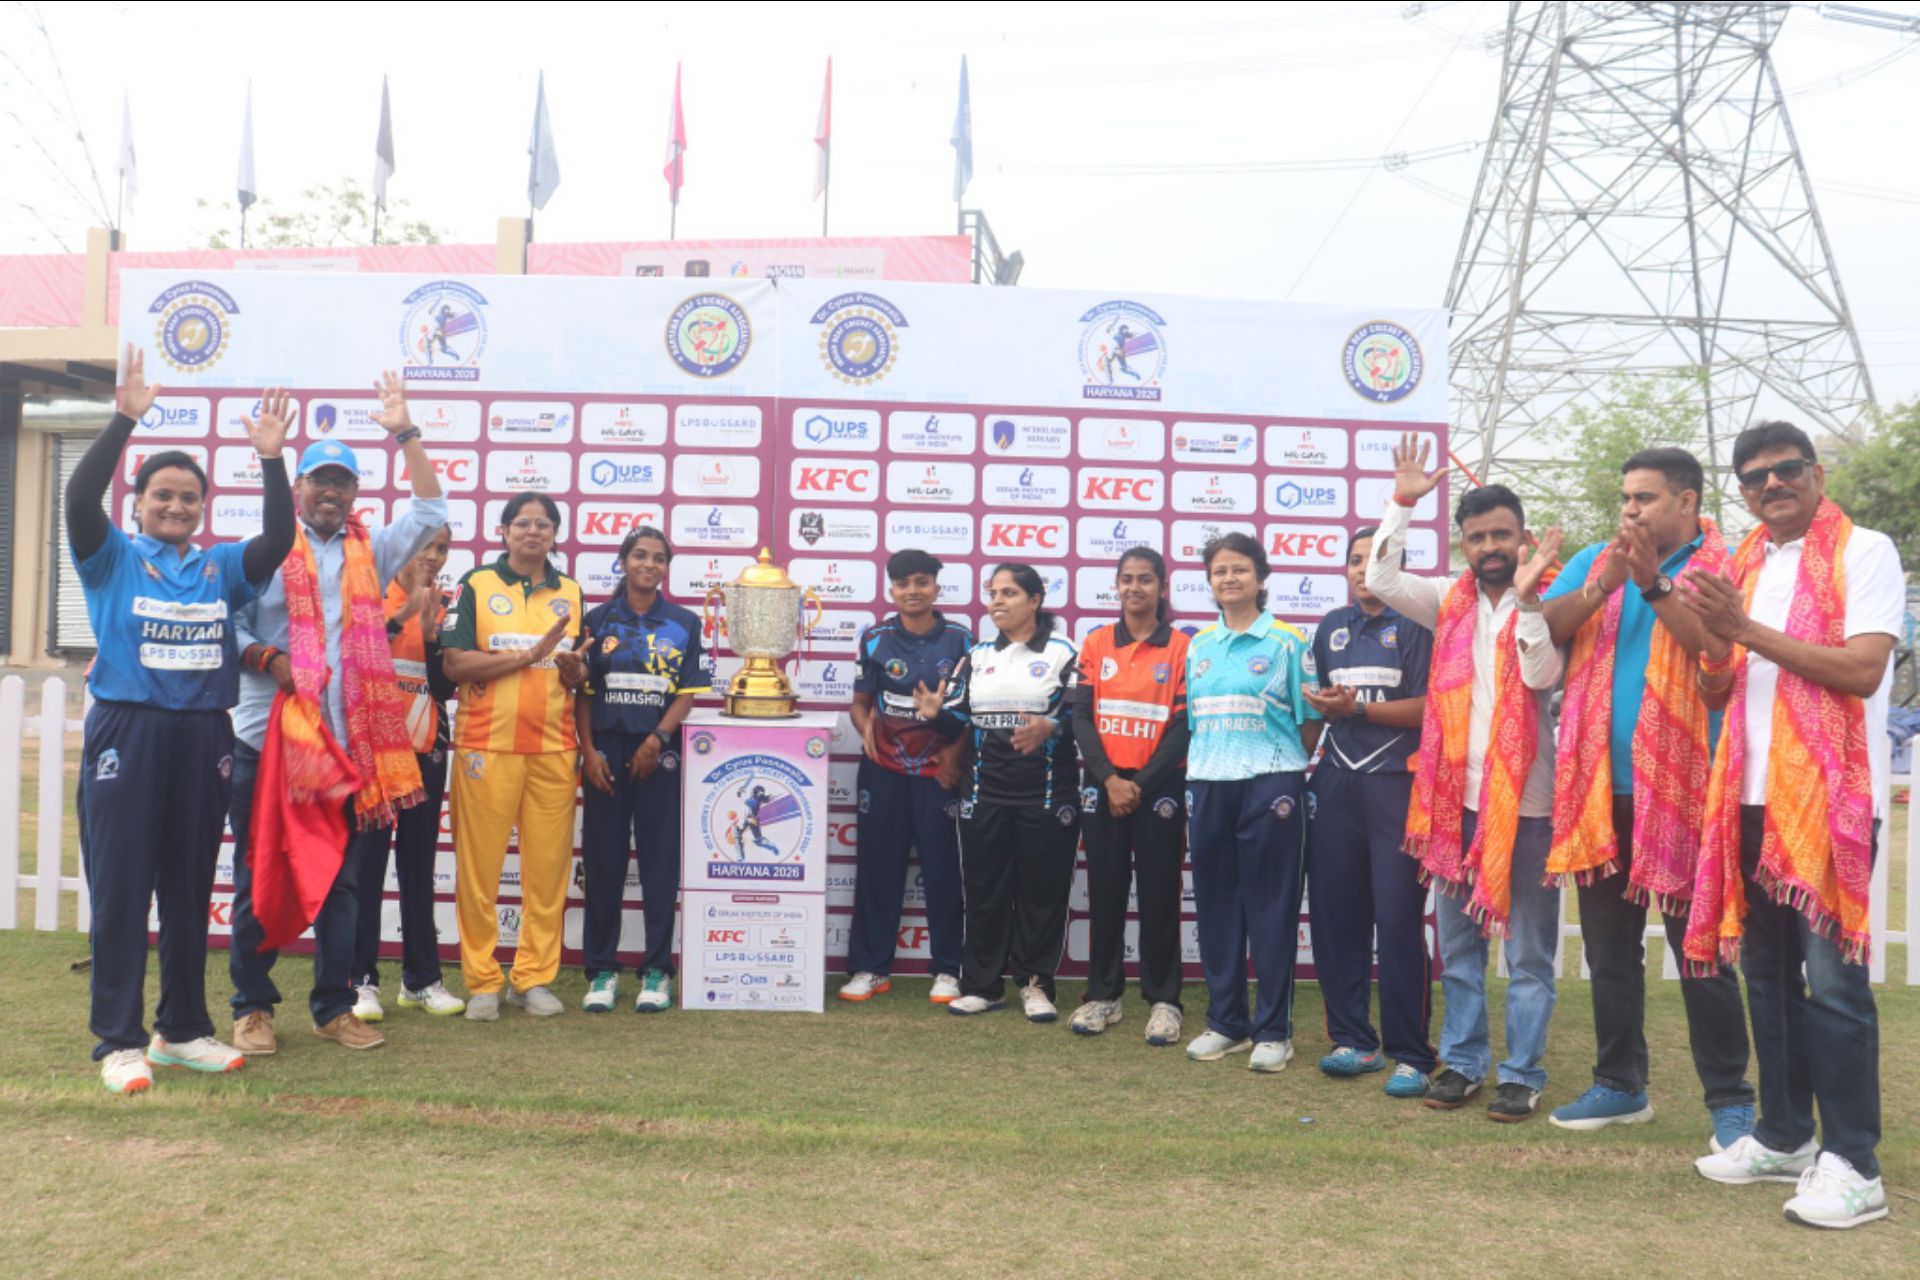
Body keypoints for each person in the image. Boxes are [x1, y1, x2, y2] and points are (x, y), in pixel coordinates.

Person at [1683, 422, 1901, 1230]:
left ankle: (1855, 1165)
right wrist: (1716, 642)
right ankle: (1783, 1136)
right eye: (1754, 477)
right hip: (1747, 798)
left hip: (1829, 801)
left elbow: (1863, 669)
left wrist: (1743, 630)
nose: (1771, 484)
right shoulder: (1742, 564)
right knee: (1768, 979)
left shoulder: (1864, 550)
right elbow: (1716, 691)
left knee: (1834, 987)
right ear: (1741, 492)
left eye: (1785, 470)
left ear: (1816, 475)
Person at [67, 348, 294, 1094]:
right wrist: (122, 420)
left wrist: (271, 462)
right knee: (124, 886)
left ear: (202, 508)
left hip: (203, 734)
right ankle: (118, 1039)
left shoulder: (218, 567)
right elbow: (78, 498)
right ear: (137, 504)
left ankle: (183, 1029)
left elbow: (277, 542)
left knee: (190, 886)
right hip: (128, 732)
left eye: (189, 498)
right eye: (162, 495)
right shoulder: (110, 557)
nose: (175, 506)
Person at [1534, 449, 1755, 1147]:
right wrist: (1604, 584)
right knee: (1609, 953)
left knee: (1701, 952)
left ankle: (1730, 1099)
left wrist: (1653, 583)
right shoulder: (1596, 560)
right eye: (1626, 498)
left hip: (1688, 793)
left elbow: (1717, 652)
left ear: (1687, 502)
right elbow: (1544, 629)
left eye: (1646, 498)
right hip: (1599, 792)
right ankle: (1620, 1084)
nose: (1630, 510)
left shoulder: (1724, 565)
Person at [227, 372, 448, 1057]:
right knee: (259, 878)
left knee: (344, 884)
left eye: (342, 482)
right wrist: (267, 658)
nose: (330, 492)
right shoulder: (264, 548)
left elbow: (432, 511)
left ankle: (333, 1005)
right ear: (298, 488)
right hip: (268, 742)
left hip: (348, 746)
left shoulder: (371, 550)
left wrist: (406, 433)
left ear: (355, 493)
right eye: (320, 480)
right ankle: (252, 1009)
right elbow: (226, 625)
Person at [1367, 435, 1563, 1121]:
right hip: (1455, 805)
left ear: (1522, 537)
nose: (1489, 547)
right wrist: (1402, 502)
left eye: (1501, 534)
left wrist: (1530, 603)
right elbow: (1382, 578)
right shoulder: (1448, 599)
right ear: (1463, 545)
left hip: (1529, 806)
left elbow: (1541, 677)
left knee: (1529, 953)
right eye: (1477, 537)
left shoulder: (1554, 599)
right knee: (1458, 948)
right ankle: (1464, 1062)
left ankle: (1522, 1073)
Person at [440, 492, 587, 1022]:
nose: (533, 532)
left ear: (554, 534)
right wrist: (528, 656)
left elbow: (576, 672)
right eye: (522, 523)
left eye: (543, 524)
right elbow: (455, 664)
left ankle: (532, 979)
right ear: (503, 530)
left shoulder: (570, 591)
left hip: (553, 748)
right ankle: (483, 981)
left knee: (547, 875)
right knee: (479, 873)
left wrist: (574, 670)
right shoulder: (477, 583)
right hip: (487, 745)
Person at [1304, 525, 1436, 1098]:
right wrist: (1327, 709)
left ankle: (1412, 1052)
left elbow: (1430, 707)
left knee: (1399, 918)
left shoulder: (1416, 623)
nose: (1362, 570)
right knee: (1337, 916)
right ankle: (1353, 1040)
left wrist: (1357, 709)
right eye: (1354, 560)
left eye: (1374, 560)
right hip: (1336, 781)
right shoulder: (1331, 626)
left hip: (1396, 784)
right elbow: (1325, 706)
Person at [914, 564, 1080, 1022]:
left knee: (1041, 894)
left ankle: (1035, 984)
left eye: (1009, 593)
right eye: (993, 594)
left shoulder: (1065, 652)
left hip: (1046, 794)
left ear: (1035, 600)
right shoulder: (978, 655)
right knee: (984, 891)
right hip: (984, 791)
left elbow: (1081, 718)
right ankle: (982, 986)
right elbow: (958, 721)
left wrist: (1052, 726)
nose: (997, 602)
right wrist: (936, 714)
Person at [1182, 532, 1321, 1074]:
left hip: (1271, 783)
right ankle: (1227, 1023)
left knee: (1270, 906)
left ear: (1260, 578)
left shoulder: (1287, 641)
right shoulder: (1199, 645)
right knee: (1217, 906)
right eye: (1220, 571)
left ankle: (1273, 1031)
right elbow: (1196, 722)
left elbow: (1310, 721)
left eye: (1240, 569)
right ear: (1209, 581)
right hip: (1209, 782)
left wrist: (1279, 765)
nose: (1230, 578)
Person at [577, 526, 710, 1014]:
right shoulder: (598, 620)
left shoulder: (684, 622)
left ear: (666, 567)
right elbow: (582, 694)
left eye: (658, 557)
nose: (649, 564)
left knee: (659, 864)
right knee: (604, 864)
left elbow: (687, 693)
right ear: (623, 561)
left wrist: (657, 739)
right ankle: (602, 970)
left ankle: (656, 970)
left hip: (660, 753)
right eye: (640, 555)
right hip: (605, 754)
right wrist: (588, 751)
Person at [1067, 547, 1189, 1044]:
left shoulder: (1182, 646)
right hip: (1103, 786)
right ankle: (1103, 995)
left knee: (1160, 893)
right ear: (1116, 586)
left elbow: (1183, 725)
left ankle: (1164, 1000)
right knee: (1106, 890)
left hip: (1158, 789)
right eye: (1126, 579)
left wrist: (1138, 784)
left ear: (1162, 587)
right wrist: (1110, 780)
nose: (1134, 587)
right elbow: (1080, 717)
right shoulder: (1097, 642)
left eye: (1145, 579)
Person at [840, 549, 971, 1004]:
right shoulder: (875, 638)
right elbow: (860, 703)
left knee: (944, 872)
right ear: (891, 589)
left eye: (921, 582)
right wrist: (865, 728)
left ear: (936, 586)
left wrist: (954, 757)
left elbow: (969, 711)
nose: (912, 591)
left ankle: (948, 969)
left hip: (939, 773)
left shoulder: (960, 640)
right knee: (877, 869)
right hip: (884, 771)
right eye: (902, 584)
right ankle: (870, 968)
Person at [346, 527, 466, 1023]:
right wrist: (404, 617)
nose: (433, 556)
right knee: (366, 867)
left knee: (418, 868)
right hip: (374, 754)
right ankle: (360, 981)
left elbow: (443, 688)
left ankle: (421, 981)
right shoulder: (368, 594)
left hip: (424, 752)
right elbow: (354, 662)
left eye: (442, 548)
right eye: (425, 546)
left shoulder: (446, 603)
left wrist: (433, 635)